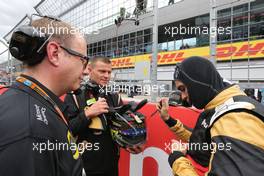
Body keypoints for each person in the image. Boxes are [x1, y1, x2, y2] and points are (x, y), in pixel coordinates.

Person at [0, 16, 89, 176]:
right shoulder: (31, 130)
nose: (86, 70)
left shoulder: (31, 104)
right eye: (83, 60)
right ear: (54, 53)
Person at [168, 56, 264, 175]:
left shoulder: (234, 119)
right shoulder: (221, 107)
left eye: (183, 89)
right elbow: (204, 140)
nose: (183, 97)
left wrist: (177, 160)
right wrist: (168, 119)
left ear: (196, 82)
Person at [65, 56, 143, 176]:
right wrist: (88, 113)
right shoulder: (74, 95)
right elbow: (67, 131)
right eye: (102, 71)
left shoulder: (114, 96)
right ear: (89, 70)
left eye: (109, 72)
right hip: (84, 165)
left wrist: (130, 144)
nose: (107, 76)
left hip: (111, 163)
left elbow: (119, 129)